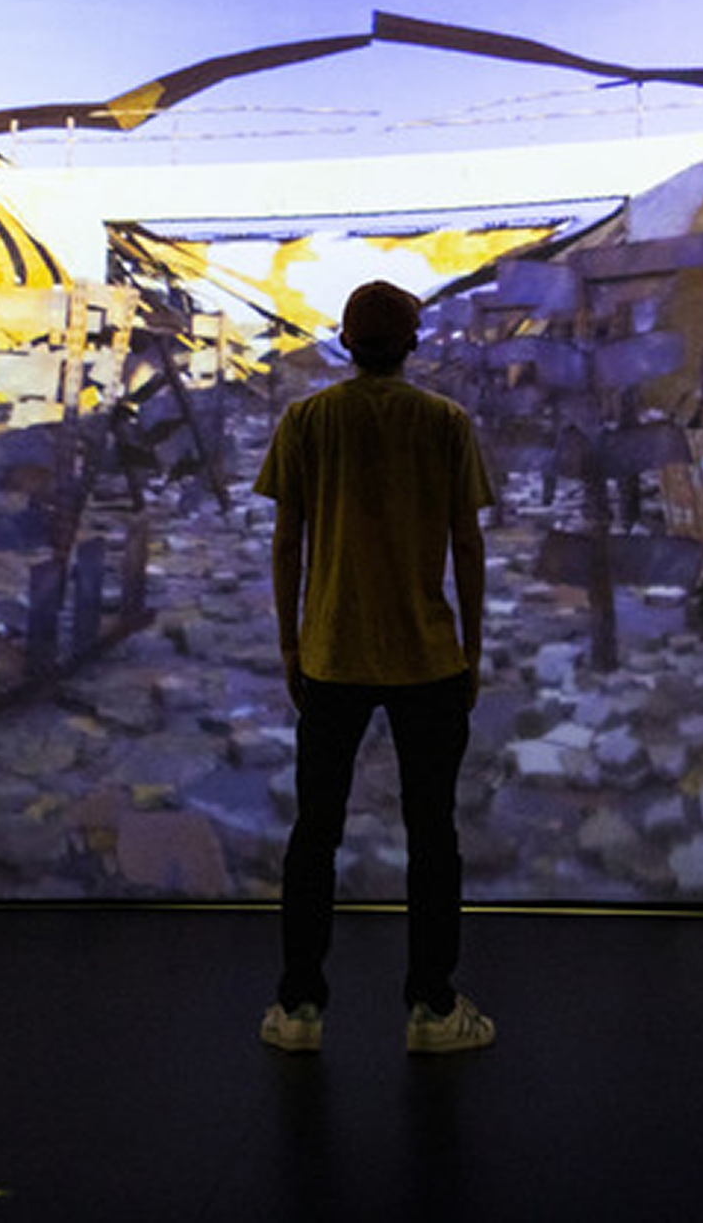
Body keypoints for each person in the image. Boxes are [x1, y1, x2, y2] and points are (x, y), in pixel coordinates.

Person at [252, 279, 497, 1056]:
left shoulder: (307, 421)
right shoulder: (446, 424)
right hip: (428, 658)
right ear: (413, 344)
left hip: (330, 653)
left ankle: (298, 1009)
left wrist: (291, 643)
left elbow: (287, 541)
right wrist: (473, 650)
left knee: (314, 833)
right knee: (432, 835)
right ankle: (431, 1007)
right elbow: (467, 544)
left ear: (346, 344)